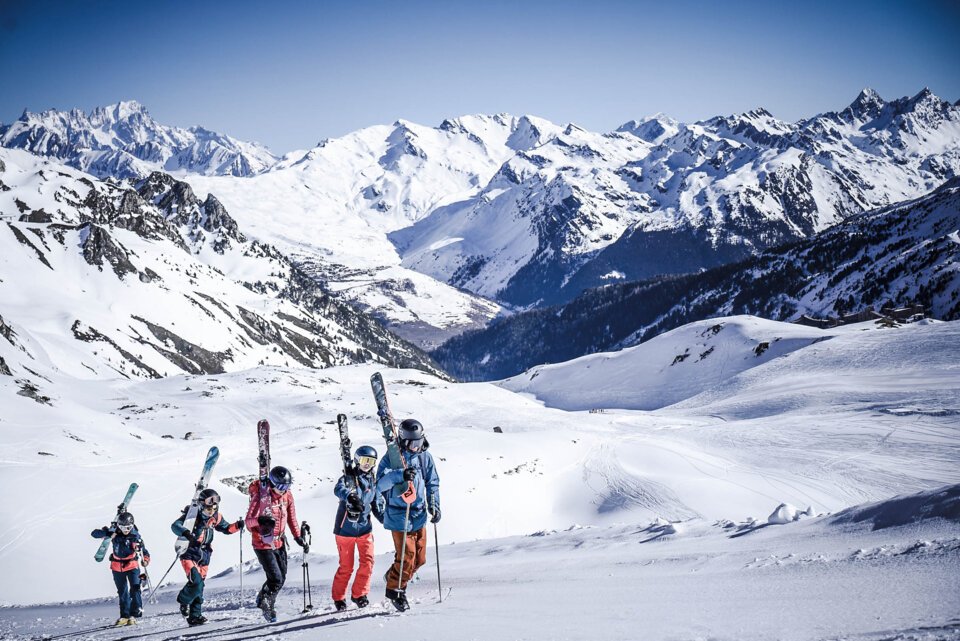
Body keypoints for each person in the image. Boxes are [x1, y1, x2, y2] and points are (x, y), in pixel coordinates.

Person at [376, 419, 440, 612]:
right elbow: (379, 486)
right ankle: (395, 590)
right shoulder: (391, 458)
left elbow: (432, 482)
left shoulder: (425, 457)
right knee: (407, 556)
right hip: (399, 514)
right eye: (413, 444)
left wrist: (434, 505)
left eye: (419, 443)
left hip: (419, 514)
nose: (416, 447)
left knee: (420, 559)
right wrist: (399, 476)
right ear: (404, 442)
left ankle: (393, 576)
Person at [170, 488, 244, 626]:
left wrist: (237, 526)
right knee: (196, 582)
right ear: (201, 505)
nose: (212, 511)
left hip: (205, 555)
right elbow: (175, 526)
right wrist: (186, 533)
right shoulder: (192, 517)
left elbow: (226, 528)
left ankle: (195, 616)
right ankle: (183, 600)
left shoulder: (216, 517)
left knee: (200, 586)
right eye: (209, 508)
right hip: (190, 552)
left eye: (214, 507)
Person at [245, 465, 307, 622]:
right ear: (272, 483)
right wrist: (260, 520)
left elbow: (292, 518)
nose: (283, 490)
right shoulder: (261, 497)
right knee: (276, 579)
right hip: (262, 544)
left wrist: (298, 537)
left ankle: (262, 598)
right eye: (280, 486)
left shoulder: (287, 496)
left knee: (282, 576)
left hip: (280, 541)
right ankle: (268, 606)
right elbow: (248, 522)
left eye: (287, 486)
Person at [332, 445, 385, 611]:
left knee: (367, 563)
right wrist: (350, 495)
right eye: (364, 460)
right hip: (345, 529)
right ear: (357, 460)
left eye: (371, 461)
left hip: (364, 529)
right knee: (346, 566)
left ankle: (359, 594)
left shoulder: (372, 481)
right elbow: (338, 489)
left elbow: (376, 504)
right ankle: (339, 597)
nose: (367, 464)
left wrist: (387, 521)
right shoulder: (348, 478)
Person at [91, 512, 151, 626]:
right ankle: (124, 616)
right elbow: (94, 533)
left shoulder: (135, 536)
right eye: (123, 527)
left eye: (128, 527)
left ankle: (133, 615)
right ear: (119, 526)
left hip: (132, 566)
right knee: (122, 592)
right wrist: (108, 533)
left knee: (135, 589)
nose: (126, 530)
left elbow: (145, 552)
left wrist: (145, 561)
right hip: (117, 567)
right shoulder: (114, 533)